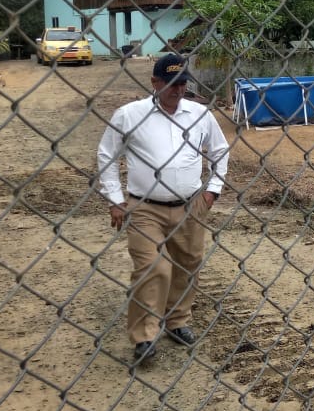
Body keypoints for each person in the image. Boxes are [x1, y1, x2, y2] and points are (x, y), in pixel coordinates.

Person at [98, 53, 230, 366]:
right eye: (171, 83)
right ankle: (144, 337)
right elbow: (106, 155)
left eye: (183, 83)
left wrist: (212, 191)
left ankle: (177, 320)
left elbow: (220, 150)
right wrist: (115, 199)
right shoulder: (130, 115)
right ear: (155, 82)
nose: (178, 89)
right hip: (145, 208)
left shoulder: (199, 114)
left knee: (187, 264)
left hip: (190, 205)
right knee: (153, 268)